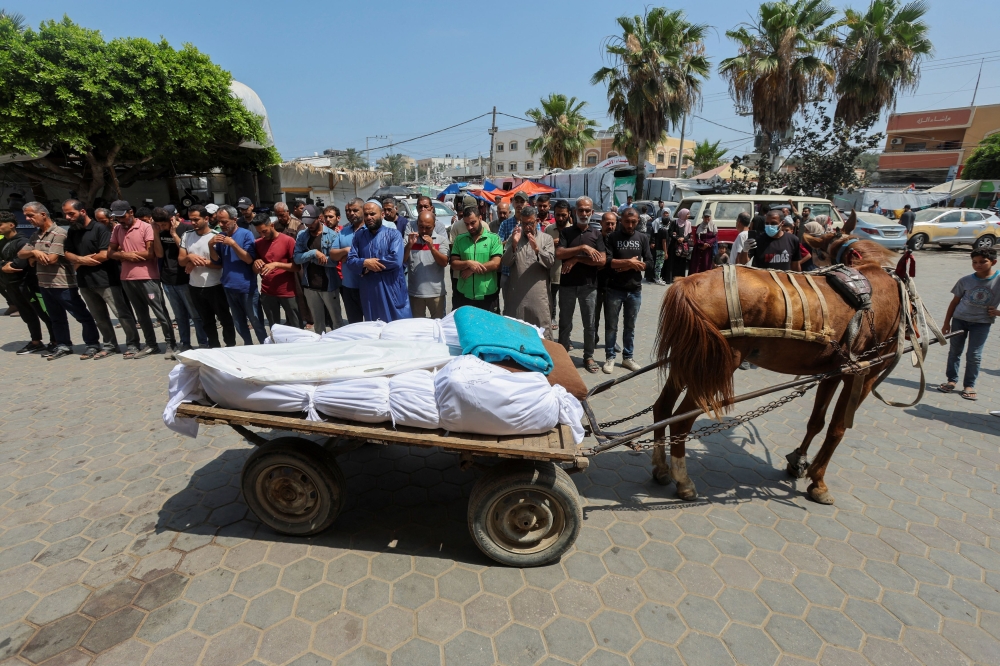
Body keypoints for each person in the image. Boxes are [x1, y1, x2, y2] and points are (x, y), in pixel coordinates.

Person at [18, 202, 101, 360]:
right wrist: (34, 252)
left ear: (43, 214)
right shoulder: (36, 235)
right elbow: (21, 253)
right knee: (56, 318)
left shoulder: (59, 233)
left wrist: (33, 255)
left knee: (81, 315)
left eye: (30, 215)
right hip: (44, 284)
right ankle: (63, 345)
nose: (27, 219)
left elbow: (51, 259)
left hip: (62, 284)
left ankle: (92, 344)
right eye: (26, 216)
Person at [63, 199, 139, 359]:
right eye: (66, 214)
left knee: (121, 315)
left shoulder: (100, 229)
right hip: (85, 282)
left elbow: (105, 254)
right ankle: (110, 345)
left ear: (82, 212)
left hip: (106, 281)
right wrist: (82, 260)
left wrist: (78, 260)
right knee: (100, 318)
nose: (68, 217)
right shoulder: (72, 231)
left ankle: (133, 344)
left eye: (71, 214)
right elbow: (67, 253)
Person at [107, 200, 177, 359]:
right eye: (117, 217)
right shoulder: (117, 229)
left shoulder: (146, 227)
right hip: (127, 277)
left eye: (122, 216)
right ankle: (151, 344)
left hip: (148, 277)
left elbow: (150, 253)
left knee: (160, 312)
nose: (120, 220)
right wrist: (124, 255)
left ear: (130, 212)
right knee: (141, 315)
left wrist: (128, 255)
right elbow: (110, 252)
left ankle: (170, 343)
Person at [938, 248, 1000, 401]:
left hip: (982, 323)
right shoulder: (965, 280)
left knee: (974, 355)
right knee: (955, 351)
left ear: (993, 262)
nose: (978, 265)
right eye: (974, 262)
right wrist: (946, 323)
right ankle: (951, 380)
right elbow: (954, 302)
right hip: (960, 319)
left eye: (982, 262)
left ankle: (969, 385)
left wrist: (998, 313)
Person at [557, 196, 607, 373]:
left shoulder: (596, 234)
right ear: (574, 212)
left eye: (587, 210)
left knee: (590, 324)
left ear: (592, 213)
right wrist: (582, 249)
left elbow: (601, 261)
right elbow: (560, 253)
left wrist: (577, 259)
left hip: (589, 286)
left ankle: (588, 356)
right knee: (565, 322)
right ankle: (562, 354)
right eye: (581, 210)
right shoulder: (566, 233)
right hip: (568, 285)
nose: (584, 213)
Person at [151, 206, 208, 352]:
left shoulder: (186, 229)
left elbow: (186, 253)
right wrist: (156, 233)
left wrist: (174, 234)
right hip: (168, 279)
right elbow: (159, 254)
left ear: (171, 219)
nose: (162, 227)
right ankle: (185, 343)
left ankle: (203, 343)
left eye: (164, 224)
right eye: (159, 225)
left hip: (184, 278)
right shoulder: (159, 230)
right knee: (179, 316)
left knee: (195, 314)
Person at [603, 207, 652, 373]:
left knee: (630, 327)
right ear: (621, 220)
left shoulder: (643, 238)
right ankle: (610, 357)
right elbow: (608, 262)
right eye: (627, 221)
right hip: (614, 289)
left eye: (633, 221)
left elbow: (650, 262)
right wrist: (629, 263)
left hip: (634, 290)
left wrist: (630, 266)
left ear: (638, 221)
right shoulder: (612, 237)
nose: (630, 225)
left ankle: (627, 358)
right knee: (611, 326)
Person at [179, 205, 235, 348]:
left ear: (206, 218)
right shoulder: (187, 235)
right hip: (195, 286)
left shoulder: (215, 237)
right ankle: (214, 347)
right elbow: (181, 260)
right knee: (206, 320)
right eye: (190, 220)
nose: (193, 223)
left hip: (215, 285)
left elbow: (221, 264)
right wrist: (190, 257)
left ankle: (230, 346)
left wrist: (200, 262)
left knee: (224, 318)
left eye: (196, 219)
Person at [0, 210, 55, 354]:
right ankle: (36, 342)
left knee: (44, 313)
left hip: (29, 285)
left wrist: (8, 265)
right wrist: (4, 265)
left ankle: (56, 340)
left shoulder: (23, 241)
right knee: (27, 315)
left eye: (0, 224)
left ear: (11, 225)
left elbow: (18, 265)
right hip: (12, 286)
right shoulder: (2, 242)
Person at [211, 205, 267, 345]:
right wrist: (210, 245)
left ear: (234, 219)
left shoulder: (246, 234)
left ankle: (265, 346)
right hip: (229, 287)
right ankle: (248, 346)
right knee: (239, 322)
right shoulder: (221, 237)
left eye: (224, 222)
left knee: (256, 321)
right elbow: (216, 260)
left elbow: (249, 259)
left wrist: (233, 244)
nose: (221, 225)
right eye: (219, 221)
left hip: (246, 287)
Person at [346, 201, 411, 321]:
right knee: (375, 330)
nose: (369, 217)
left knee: (398, 328)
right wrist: (365, 263)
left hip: (392, 290)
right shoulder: (359, 236)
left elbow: (396, 260)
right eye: (366, 214)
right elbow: (350, 261)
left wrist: (369, 265)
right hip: (370, 291)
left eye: (372, 214)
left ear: (382, 214)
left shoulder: (394, 234)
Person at [502, 205, 554, 331]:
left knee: (542, 332)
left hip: (539, 297)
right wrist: (514, 244)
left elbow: (550, 262)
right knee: (515, 330)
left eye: (530, 223)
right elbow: (506, 262)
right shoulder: (514, 238)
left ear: (536, 221)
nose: (527, 227)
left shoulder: (546, 239)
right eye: (524, 224)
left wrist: (537, 249)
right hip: (517, 296)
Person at [293, 205, 343, 333]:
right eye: (306, 223)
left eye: (311, 222)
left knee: (337, 321)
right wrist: (314, 253)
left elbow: (333, 262)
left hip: (329, 285)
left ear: (319, 218)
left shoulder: (332, 236)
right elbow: (297, 259)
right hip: (310, 286)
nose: (309, 225)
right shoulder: (302, 235)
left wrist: (310, 258)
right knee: (318, 323)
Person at [450, 205, 503, 312]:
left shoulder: (493, 238)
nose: (469, 227)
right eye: (466, 224)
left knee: (488, 327)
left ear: (480, 218)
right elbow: (454, 263)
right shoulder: (460, 240)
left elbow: (496, 264)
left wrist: (472, 269)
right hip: (465, 294)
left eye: (472, 223)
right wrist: (468, 263)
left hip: (487, 294)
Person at [253, 215, 301, 329]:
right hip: (267, 291)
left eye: (264, 231)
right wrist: (256, 263)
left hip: (287, 292)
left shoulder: (288, 241)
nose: (262, 235)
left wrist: (276, 264)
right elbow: (254, 270)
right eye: (259, 232)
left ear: (272, 225)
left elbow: (297, 267)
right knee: (274, 327)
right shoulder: (258, 243)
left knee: (296, 326)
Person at [406, 210, 450, 318]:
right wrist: (409, 245)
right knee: (418, 328)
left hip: (436, 294)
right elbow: (401, 260)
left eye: (428, 227)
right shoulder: (410, 240)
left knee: (438, 326)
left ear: (434, 226)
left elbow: (444, 262)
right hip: (415, 293)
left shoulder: (442, 240)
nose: (424, 230)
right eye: (421, 227)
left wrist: (432, 248)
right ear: (417, 224)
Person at [737, 209, 802, 271]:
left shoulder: (792, 239)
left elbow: (795, 266)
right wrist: (745, 250)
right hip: (762, 280)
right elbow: (743, 262)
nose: (769, 226)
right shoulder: (758, 240)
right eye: (767, 223)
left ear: (782, 223)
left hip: (783, 281)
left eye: (773, 223)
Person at [334, 198, 365, 323]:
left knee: (372, 324)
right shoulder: (343, 232)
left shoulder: (371, 231)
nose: (351, 213)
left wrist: (350, 257)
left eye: (355, 210)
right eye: (349, 211)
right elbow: (333, 255)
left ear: (364, 210)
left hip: (368, 286)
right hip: (349, 286)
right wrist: (346, 251)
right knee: (354, 324)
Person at [546, 200, 572, 329]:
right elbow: (541, 249)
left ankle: (566, 333)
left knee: (567, 305)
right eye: (558, 215)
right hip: (553, 272)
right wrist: (551, 244)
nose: (560, 218)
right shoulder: (549, 229)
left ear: (569, 214)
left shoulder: (574, 230)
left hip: (569, 274)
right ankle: (552, 319)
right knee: (551, 300)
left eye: (563, 215)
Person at [593, 212, 617, 349]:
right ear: (601, 223)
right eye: (607, 223)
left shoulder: (618, 240)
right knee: (593, 318)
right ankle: (593, 339)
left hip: (613, 286)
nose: (610, 226)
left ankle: (611, 343)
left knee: (612, 319)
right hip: (595, 285)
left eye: (612, 223)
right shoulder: (595, 238)